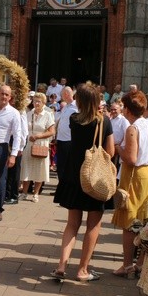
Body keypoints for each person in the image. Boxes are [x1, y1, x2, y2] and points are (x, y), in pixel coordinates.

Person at [51, 84, 114, 282]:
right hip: (94, 177)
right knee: (93, 225)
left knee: (72, 223)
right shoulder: (104, 121)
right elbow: (110, 152)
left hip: (73, 174)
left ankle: (62, 264)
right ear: (97, 101)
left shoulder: (73, 119)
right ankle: (82, 269)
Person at [111, 91, 148, 277]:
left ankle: (127, 265)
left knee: (130, 222)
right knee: (145, 220)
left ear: (128, 110)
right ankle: (140, 263)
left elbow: (131, 158)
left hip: (135, 175)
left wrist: (118, 147)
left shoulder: (133, 129)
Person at [0, 84, 22, 221]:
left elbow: (17, 135)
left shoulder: (14, 113)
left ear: (10, 97)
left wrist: (13, 155)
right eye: (2, 93)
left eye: (7, 95)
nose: (4, 97)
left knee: (0, 179)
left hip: (1, 148)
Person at [20, 93, 55, 203]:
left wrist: (38, 136)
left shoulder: (48, 115)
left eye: (39, 101)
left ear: (44, 103)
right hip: (29, 143)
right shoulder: (28, 114)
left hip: (41, 143)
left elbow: (52, 131)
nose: (36, 103)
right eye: (35, 101)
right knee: (26, 168)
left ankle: (36, 194)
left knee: (40, 169)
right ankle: (24, 193)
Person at [54, 86, 77, 180]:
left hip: (69, 140)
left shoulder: (76, 107)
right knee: (60, 166)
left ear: (66, 94)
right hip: (60, 140)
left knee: (67, 167)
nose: (61, 97)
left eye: (62, 94)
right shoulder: (65, 107)